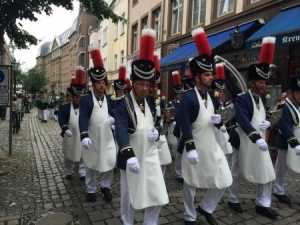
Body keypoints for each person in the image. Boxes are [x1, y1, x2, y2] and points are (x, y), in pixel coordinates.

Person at [115, 28, 169, 225]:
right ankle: (127, 221)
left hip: (151, 155)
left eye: (147, 85)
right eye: (140, 84)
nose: (144, 89)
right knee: (129, 195)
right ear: (132, 83)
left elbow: (155, 123)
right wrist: (128, 155)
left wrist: (157, 131)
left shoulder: (151, 102)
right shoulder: (122, 103)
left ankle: (150, 222)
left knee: (157, 192)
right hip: (131, 157)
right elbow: (120, 130)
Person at [179, 27, 232, 225]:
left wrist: (221, 123)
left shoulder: (212, 97)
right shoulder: (187, 97)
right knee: (191, 182)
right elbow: (185, 124)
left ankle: (206, 207)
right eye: (207, 75)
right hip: (194, 147)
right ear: (197, 77)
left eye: (211, 74)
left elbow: (215, 118)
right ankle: (189, 215)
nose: (211, 77)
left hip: (212, 145)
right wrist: (190, 147)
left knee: (225, 178)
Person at [227, 37, 279, 219]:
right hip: (242, 139)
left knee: (266, 169)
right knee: (236, 170)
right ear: (252, 83)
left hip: (261, 140)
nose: (264, 84)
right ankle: (233, 199)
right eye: (260, 82)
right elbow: (242, 119)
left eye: (265, 81)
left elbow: (264, 116)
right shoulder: (242, 98)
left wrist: (268, 123)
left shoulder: (263, 98)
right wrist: (256, 136)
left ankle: (263, 204)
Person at [79, 46, 116, 203]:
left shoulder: (110, 100)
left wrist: (114, 121)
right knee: (91, 164)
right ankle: (91, 189)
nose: (102, 85)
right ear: (93, 84)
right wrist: (84, 135)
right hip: (93, 138)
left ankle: (105, 186)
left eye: (103, 83)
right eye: (99, 83)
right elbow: (83, 118)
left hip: (107, 138)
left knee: (110, 162)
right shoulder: (86, 100)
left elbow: (115, 115)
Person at [273, 75, 300, 206]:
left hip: (297, 140)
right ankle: (278, 189)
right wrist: (295, 143)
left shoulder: (296, 105)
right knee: (281, 166)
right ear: (290, 92)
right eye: (298, 92)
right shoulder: (283, 106)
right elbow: (285, 125)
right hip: (285, 141)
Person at [58, 68, 86, 181]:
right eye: (76, 97)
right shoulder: (65, 107)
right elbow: (61, 119)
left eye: (80, 98)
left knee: (83, 154)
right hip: (70, 135)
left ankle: (82, 172)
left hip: (81, 135)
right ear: (73, 97)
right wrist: (65, 129)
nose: (78, 99)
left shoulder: (85, 108)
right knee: (69, 154)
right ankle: (68, 171)